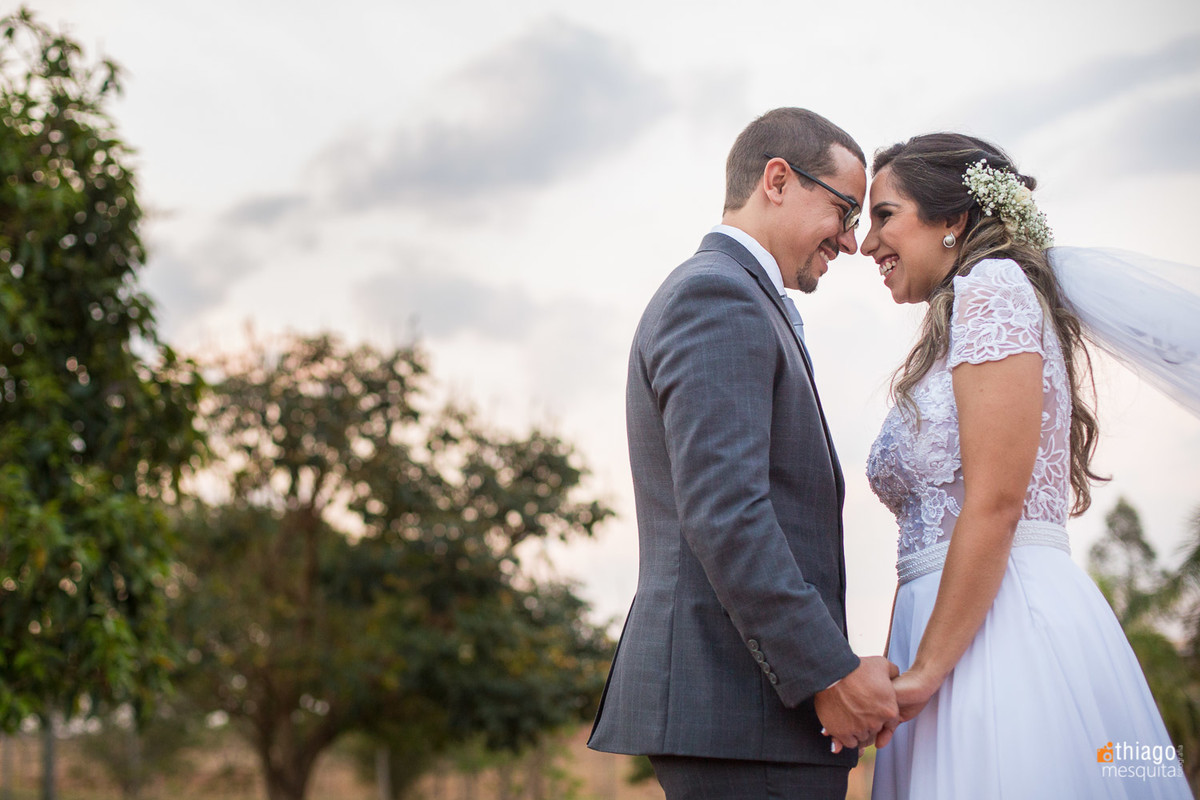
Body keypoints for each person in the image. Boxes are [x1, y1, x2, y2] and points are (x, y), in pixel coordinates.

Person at [859, 133, 1191, 799]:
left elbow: (995, 502)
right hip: (942, 631)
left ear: (953, 219)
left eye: (884, 214)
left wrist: (926, 672)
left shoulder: (994, 289)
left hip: (1001, 635)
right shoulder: (957, 321)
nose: (868, 243)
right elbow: (927, 528)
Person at [587, 107, 899, 800]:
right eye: (845, 210)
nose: (850, 242)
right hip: (740, 714)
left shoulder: (742, 297)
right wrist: (827, 673)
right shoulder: (718, 296)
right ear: (779, 180)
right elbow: (726, 511)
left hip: (750, 722)